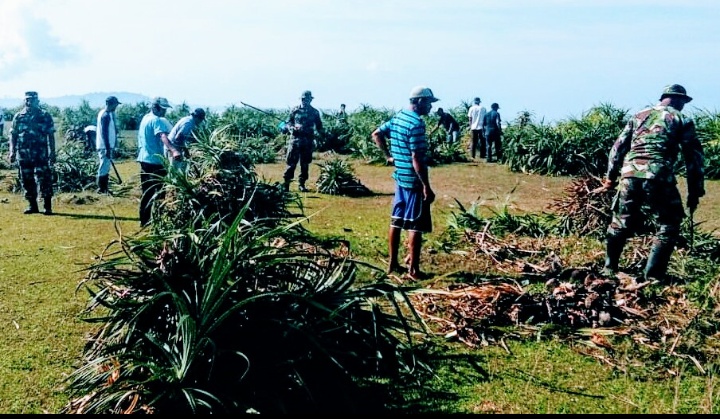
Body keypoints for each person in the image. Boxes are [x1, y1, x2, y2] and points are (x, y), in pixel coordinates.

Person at [600, 84, 705, 283]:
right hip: (658, 175)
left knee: (621, 221)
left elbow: (617, 149)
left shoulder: (639, 115)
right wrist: (695, 191)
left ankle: (609, 267)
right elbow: (694, 158)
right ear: (678, 100)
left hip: (629, 175)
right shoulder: (682, 119)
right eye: (683, 102)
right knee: (668, 224)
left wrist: (609, 180)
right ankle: (653, 276)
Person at [371, 86, 437, 280]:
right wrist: (426, 185)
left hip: (400, 177)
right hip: (413, 180)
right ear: (419, 102)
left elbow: (377, 134)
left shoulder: (399, 117)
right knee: (415, 224)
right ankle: (414, 270)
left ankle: (393, 264)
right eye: (428, 103)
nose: (430, 107)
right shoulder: (416, 124)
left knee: (396, 221)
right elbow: (417, 158)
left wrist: (389, 157)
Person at [7, 91, 56, 215]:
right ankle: (32, 205)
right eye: (27, 100)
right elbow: (13, 135)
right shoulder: (19, 116)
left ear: (37, 101)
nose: (29, 102)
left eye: (32, 100)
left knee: (44, 178)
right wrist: (12, 151)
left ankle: (47, 206)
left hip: (41, 153)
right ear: (25, 101)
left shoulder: (44, 116)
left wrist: (53, 152)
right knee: (26, 179)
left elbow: (51, 135)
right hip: (24, 155)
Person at [137, 97, 174, 227]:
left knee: (147, 192)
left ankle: (144, 220)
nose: (164, 112)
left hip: (144, 159)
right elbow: (163, 136)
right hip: (155, 161)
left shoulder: (145, 118)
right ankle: (158, 220)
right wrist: (173, 150)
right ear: (156, 107)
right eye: (163, 109)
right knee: (159, 192)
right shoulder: (156, 120)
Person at [282, 90, 324, 192]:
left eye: (307, 99)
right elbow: (287, 124)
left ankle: (302, 184)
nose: (305, 101)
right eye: (303, 99)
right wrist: (292, 128)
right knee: (291, 163)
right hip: (295, 141)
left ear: (310, 100)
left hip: (308, 142)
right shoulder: (294, 110)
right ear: (301, 99)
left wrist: (322, 137)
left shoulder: (314, 112)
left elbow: (319, 127)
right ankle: (286, 184)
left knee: (305, 164)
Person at [95, 95, 121, 194]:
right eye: (115, 105)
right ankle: (102, 189)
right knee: (104, 167)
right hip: (104, 146)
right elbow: (104, 133)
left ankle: (104, 188)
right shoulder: (105, 115)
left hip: (106, 146)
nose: (116, 107)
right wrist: (107, 148)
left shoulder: (107, 113)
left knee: (105, 167)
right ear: (111, 104)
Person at [166, 107, 206, 172]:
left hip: (173, 147)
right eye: (201, 120)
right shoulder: (189, 123)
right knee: (175, 173)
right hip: (173, 148)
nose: (200, 122)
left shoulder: (188, 120)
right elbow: (178, 138)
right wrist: (185, 151)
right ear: (198, 118)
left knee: (176, 170)